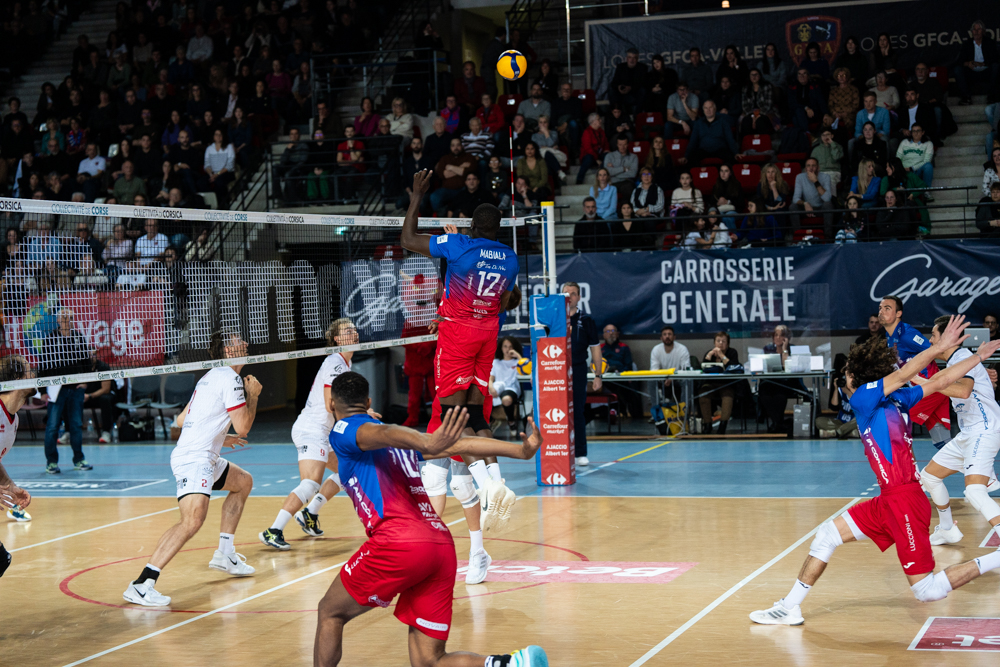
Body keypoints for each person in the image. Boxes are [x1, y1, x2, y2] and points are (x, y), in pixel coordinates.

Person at [750, 317, 1000, 627]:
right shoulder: (897, 398)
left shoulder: (863, 397)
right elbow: (939, 382)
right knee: (828, 534)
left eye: (845, 374)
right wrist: (977, 357)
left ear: (855, 375)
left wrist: (939, 347)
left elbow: (911, 373)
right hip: (888, 501)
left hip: (905, 502)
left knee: (926, 590)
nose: (844, 379)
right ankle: (790, 606)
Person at [313, 373, 547, 667]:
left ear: (332, 403)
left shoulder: (345, 429)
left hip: (398, 543)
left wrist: (426, 439)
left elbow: (384, 432)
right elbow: (462, 445)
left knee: (330, 612)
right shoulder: (393, 440)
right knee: (429, 660)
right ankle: (510, 664)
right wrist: (521, 451)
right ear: (369, 401)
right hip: (439, 544)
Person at [402, 171, 520, 531]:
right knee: (477, 414)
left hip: (458, 336)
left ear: (471, 226)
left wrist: (417, 196)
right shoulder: (510, 258)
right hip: (488, 335)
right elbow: (504, 302)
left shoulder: (459, 246)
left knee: (454, 418)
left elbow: (407, 239)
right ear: (497, 229)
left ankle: (488, 489)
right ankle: (496, 482)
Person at [122, 331, 260, 607]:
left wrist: (220, 436)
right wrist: (252, 395)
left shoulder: (210, 376)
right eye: (237, 341)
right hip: (195, 459)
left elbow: (183, 419)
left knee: (243, 482)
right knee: (192, 521)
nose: (245, 343)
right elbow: (244, 426)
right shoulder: (231, 379)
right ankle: (142, 584)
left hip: (204, 456)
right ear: (227, 351)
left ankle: (224, 553)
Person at [259, 320, 361, 551]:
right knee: (310, 483)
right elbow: (329, 404)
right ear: (336, 339)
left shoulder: (346, 363)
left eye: (354, 329)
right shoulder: (335, 362)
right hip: (312, 429)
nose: (353, 333)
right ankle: (273, 530)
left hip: (323, 430)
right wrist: (355, 420)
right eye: (347, 331)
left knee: (349, 470)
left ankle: (309, 513)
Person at [919, 315, 1000, 546]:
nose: (931, 340)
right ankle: (946, 529)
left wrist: (933, 383)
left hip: (983, 430)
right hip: (969, 433)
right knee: (930, 476)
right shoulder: (958, 359)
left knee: (975, 492)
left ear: (947, 338)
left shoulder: (963, 358)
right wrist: (922, 381)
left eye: (934, 335)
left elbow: (963, 391)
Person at [878, 295, 953, 450]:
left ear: (898, 313)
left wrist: (970, 365)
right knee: (943, 443)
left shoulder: (907, 334)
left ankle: (906, 473)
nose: (881, 312)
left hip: (930, 388)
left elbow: (938, 351)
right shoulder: (889, 336)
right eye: (880, 308)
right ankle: (978, 470)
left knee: (895, 425)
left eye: (887, 308)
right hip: (923, 388)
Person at [0, 356, 37, 573]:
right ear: (17, 379)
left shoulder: (13, 419)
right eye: (30, 371)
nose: (35, 375)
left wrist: (10, 486)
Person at [563, 281, 602, 467]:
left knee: (577, 411)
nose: (569, 296)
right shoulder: (552, 318)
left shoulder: (586, 320)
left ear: (578, 297)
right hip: (555, 370)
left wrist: (598, 375)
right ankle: (558, 451)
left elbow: (595, 349)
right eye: (566, 293)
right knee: (557, 412)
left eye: (573, 293)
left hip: (578, 369)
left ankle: (580, 452)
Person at [757, 325, 806, 433]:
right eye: (776, 335)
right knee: (763, 391)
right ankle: (778, 423)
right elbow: (761, 367)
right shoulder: (767, 349)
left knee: (780, 396)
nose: (778, 338)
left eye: (782, 335)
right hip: (770, 382)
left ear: (787, 337)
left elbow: (787, 368)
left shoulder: (793, 349)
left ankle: (776, 424)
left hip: (787, 382)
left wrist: (784, 350)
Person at [650, 325, 691, 433]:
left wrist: (672, 378)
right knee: (650, 381)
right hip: (662, 380)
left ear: (674, 337)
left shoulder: (682, 349)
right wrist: (665, 378)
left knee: (688, 380)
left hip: (677, 380)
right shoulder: (656, 350)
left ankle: (684, 415)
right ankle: (658, 416)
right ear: (661, 338)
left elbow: (685, 369)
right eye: (664, 334)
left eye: (669, 334)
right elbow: (654, 370)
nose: (667, 336)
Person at [698, 331, 740, 435]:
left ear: (728, 343)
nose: (720, 343)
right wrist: (708, 356)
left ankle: (723, 425)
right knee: (703, 394)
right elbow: (703, 368)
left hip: (726, 384)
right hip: (711, 384)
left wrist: (721, 355)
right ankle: (707, 425)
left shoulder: (732, 352)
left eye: (723, 341)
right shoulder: (710, 353)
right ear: (714, 343)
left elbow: (733, 367)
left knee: (727, 397)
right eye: (718, 341)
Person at [601, 323, 644, 419]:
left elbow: (628, 365)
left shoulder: (624, 347)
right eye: (608, 331)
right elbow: (595, 364)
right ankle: (609, 412)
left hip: (621, 377)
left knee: (630, 387)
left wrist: (618, 372)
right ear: (603, 335)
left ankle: (633, 415)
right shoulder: (600, 348)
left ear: (617, 334)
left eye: (613, 331)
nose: (611, 334)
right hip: (606, 379)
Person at [954, 19, 999, 106]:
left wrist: (982, 64)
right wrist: (968, 63)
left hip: (986, 71)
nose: (976, 32)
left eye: (979, 29)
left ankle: (991, 97)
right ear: (971, 31)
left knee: (996, 67)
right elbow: (960, 61)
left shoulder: (989, 42)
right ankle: (966, 97)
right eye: (974, 30)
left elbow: (995, 59)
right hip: (972, 71)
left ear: (983, 31)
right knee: (957, 70)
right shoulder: (967, 44)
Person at [679, 100, 737, 166]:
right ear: (703, 110)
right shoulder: (698, 123)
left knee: (731, 157)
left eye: (710, 107)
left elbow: (730, 139)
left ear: (715, 109)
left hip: (720, 150)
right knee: (691, 158)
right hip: (703, 150)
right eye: (706, 108)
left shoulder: (723, 122)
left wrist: (736, 153)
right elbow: (692, 141)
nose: (708, 110)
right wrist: (686, 156)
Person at [429, 137, 475, 215]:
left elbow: (469, 172)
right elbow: (442, 174)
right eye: (453, 145)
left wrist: (451, 167)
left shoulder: (469, 157)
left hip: (464, 189)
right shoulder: (445, 158)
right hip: (447, 189)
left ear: (462, 146)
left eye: (458, 145)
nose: (455, 148)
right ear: (450, 147)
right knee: (434, 197)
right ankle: (441, 216)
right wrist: (461, 168)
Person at [790, 157, 834, 236]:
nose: (811, 168)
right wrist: (805, 203)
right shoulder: (800, 177)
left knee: (828, 205)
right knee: (793, 207)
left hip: (820, 208)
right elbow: (795, 198)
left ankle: (828, 237)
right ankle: (797, 237)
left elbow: (827, 198)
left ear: (818, 168)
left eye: (813, 165)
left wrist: (815, 181)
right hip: (806, 208)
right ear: (805, 168)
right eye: (808, 166)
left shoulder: (825, 177)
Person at [489, 336, 523, 435]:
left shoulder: (518, 362)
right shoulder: (496, 362)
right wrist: (491, 387)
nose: (507, 349)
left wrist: (518, 356)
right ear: (501, 348)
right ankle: (491, 420)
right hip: (497, 386)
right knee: (482, 398)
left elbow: (525, 371)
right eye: (505, 346)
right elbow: (490, 378)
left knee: (506, 399)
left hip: (511, 388)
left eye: (510, 346)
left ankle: (511, 422)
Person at [816, 359, 857, 439]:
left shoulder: (859, 384)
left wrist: (848, 393)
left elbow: (861, 407)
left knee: (860, 420)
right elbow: (834, 405)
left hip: (854, 421)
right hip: (841, 422)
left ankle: (836, 433)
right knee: (819, 421)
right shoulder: (843, 385)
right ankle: (848, 432)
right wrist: (836, 388)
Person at [608, 48, 648, 114]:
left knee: (643, 91)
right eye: (630, 57)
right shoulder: (621, 67)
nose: (632, 60)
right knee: (611, 89)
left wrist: (630, 88)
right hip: (621, 94)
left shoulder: (642, 68)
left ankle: (637, 117)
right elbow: (614, 82)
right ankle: (615, 115)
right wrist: (619, 87)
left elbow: (643, 83)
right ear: (627, 58)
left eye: (634, 58)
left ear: (637, 59)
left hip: (634, 94)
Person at [787, 68, 827, 132]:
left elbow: (821, 101)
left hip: (812, 113)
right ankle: (806, 133)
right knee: (797, 112)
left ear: (808, 76)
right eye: (799, 74)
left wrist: (825, 113)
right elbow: (792, 103)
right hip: (798, 112)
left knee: (795, 117)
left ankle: (804, 135)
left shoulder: (814, 86)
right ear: (797, 77)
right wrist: (805, 108)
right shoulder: (792, 87)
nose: (802, 76)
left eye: (804, 74)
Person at [897, 123, 934, 188]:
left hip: (917, 171)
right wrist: (902, 169)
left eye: (918, 131)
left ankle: (926, 191)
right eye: (913, 131)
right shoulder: (904, 142)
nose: (915, 133)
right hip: (904, 171)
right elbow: (897, 158)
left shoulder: (928, 144)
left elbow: (926, 161)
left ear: (923, 132)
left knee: (928, 166)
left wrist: (912, 168)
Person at [576, 112, 609, 185]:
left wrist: (607, 150)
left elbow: (605, 143)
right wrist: (596, 159)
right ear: (592, 122)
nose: (600, 120)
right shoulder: (587, 132)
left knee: (608, 156)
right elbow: (588, 148)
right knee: (589, 158)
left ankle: (603, 178)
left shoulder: (601, 131)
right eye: (598, 119)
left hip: (599, 154)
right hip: (589, 155)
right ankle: (579, 179)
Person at [811, 128, 844, 195]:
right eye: (823, 135)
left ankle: (831, 202)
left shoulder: (838, 147)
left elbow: (836, 157)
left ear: (832, 136)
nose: (825, 137)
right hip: (820, 172)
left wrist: (832, 144)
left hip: (833, 172)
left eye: (827, 134)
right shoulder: (816, 150)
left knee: (829, 179)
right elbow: (811, 164)